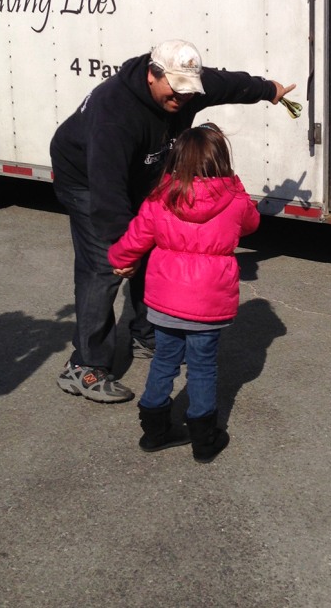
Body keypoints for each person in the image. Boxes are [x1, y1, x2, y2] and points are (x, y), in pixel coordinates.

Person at [50, 39, 294, 404]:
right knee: (104, 265)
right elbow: (107, 192)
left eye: (187, 91)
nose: (182, 99)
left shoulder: (186, 85)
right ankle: (85, 366)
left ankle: (145, 333)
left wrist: (268, 90)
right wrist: (124, 249)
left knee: (155, 246)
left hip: (139, 173)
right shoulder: (113, 114)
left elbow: (228, 84)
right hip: (87, 179)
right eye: (175, 90)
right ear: (153, 75)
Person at [108, 123, 259, 462]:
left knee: (164, 359)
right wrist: (234, 184)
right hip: (208, 305)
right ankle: (204, 439)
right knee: (203, 368)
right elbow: (251, 223)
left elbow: (136, 237)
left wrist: (119, 260)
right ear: (222, 161)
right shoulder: (234, 200)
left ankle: (155, 429)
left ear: (175, 158)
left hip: (164, 301)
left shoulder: (160, 196)